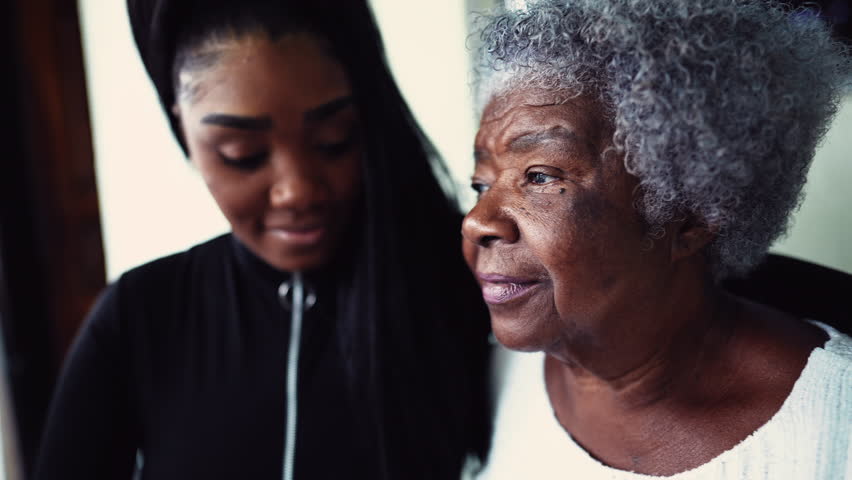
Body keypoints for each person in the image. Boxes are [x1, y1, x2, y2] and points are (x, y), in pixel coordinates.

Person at [34, 1, 492, 478]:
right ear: (185, 134)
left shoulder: (472, 280)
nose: (296, 190)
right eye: (243, 154)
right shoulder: (140, 315)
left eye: (333, 140)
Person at [462, 0, 851, 479]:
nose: (477, 221)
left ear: (689, 216)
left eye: (540, 177)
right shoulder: (490, 372)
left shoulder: (836, 430)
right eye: (481, 184)